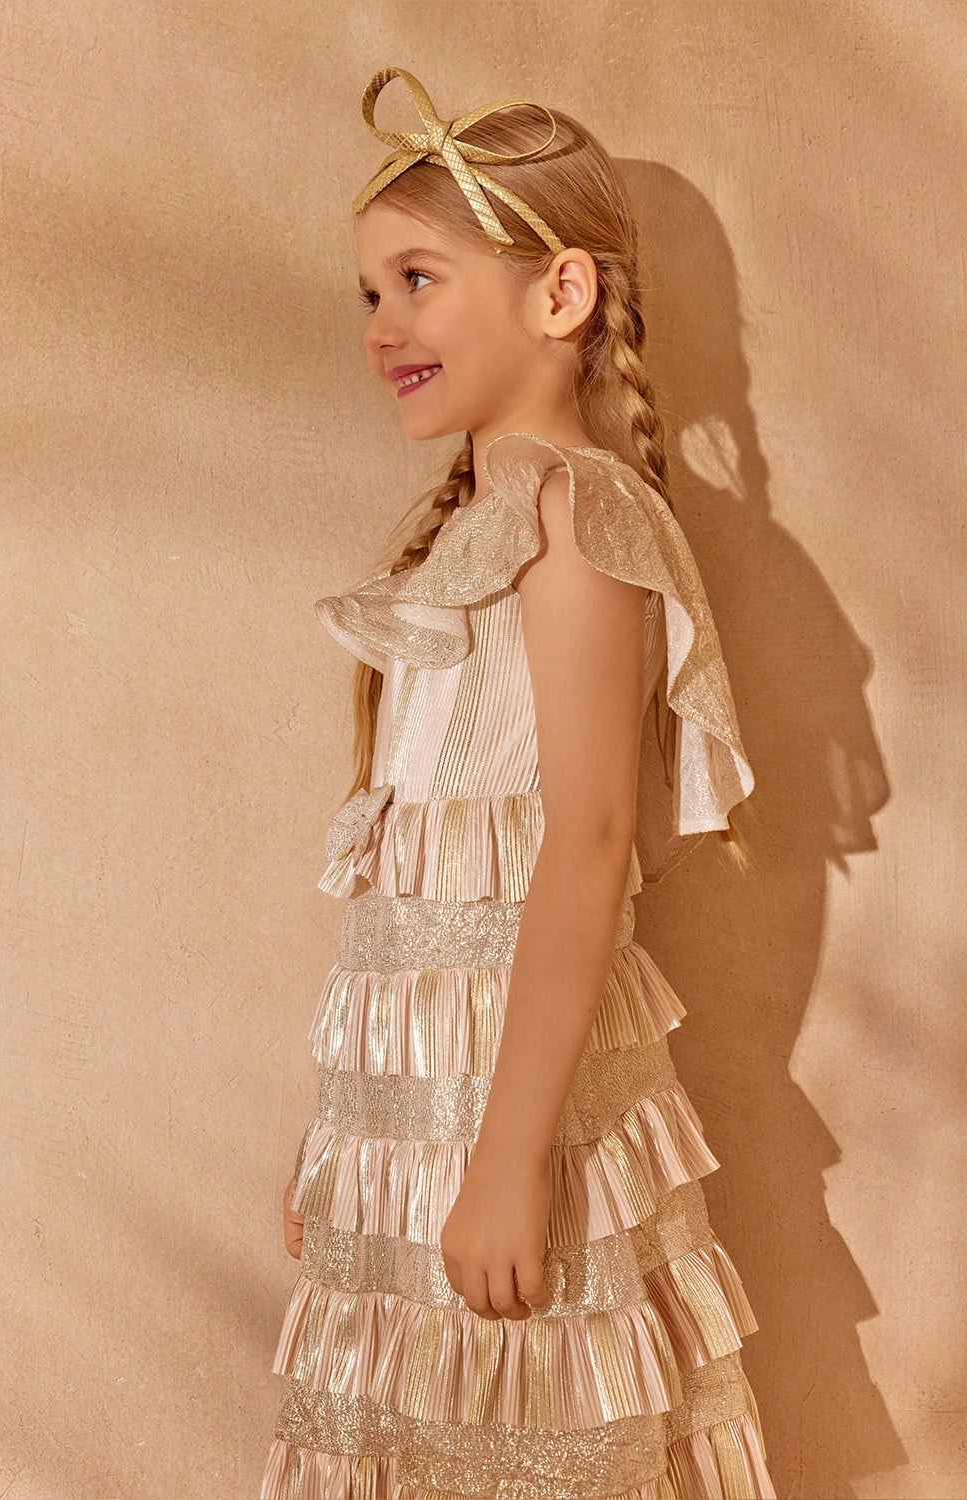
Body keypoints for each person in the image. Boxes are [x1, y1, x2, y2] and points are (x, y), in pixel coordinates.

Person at [261, 65, 776, 1500]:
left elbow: (590, 843)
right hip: (419, 1117)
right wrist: (348, 1138)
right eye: (371, 293)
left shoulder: (573, 515)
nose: (382, 326)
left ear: (560, 294)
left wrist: (508, 1158)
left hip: (512, 1107)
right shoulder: (476, 530)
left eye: (418, 280)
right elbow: (414, 905)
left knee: (535, 1436)